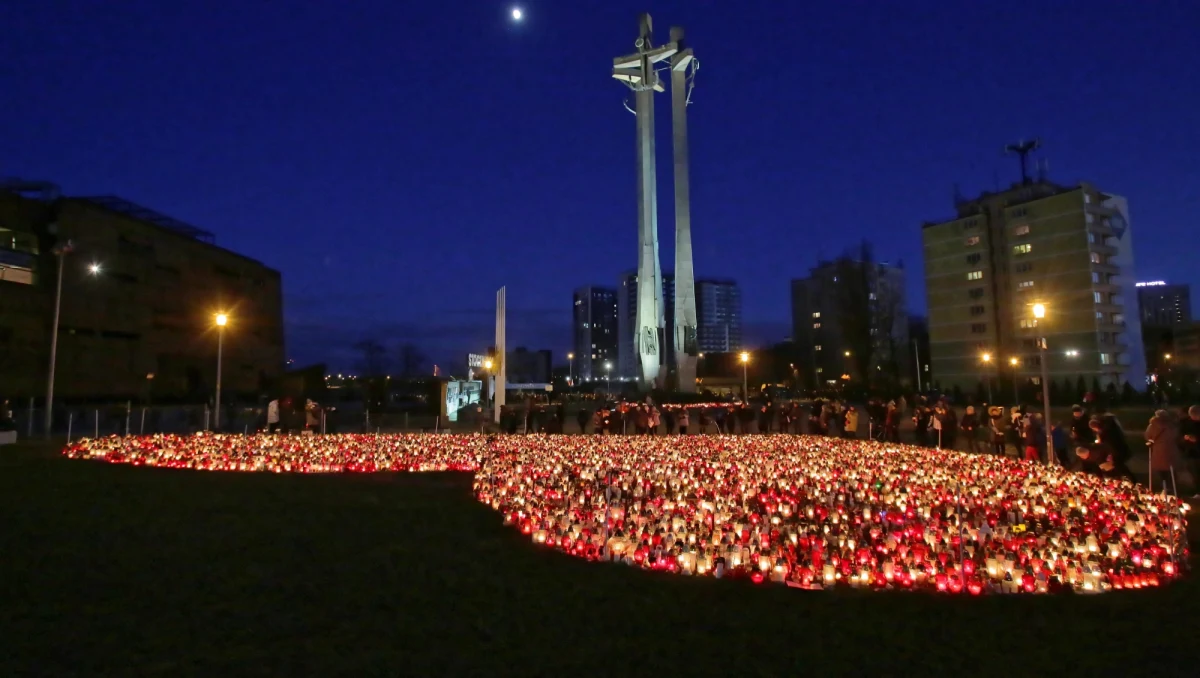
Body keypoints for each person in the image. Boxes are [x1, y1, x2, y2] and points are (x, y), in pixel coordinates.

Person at [1144, 409, 1181, 494]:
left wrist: (1152, 440)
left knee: (1161, 470)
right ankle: (1173, 487)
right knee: (1171, 470)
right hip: (1171, 448)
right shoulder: (1171, 425)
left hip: (1158, 449)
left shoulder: (1152, 425)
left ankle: (1165, 487)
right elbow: (1176, 435)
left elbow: (1147, 436)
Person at [1180, 405, 1200, 496]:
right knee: (1195, 473)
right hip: (1191, 452)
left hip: (1195, 451)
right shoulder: (1186, 423)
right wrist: (1186, 438)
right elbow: (1180, 435)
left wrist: (1197, 439)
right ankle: (1198, 491)